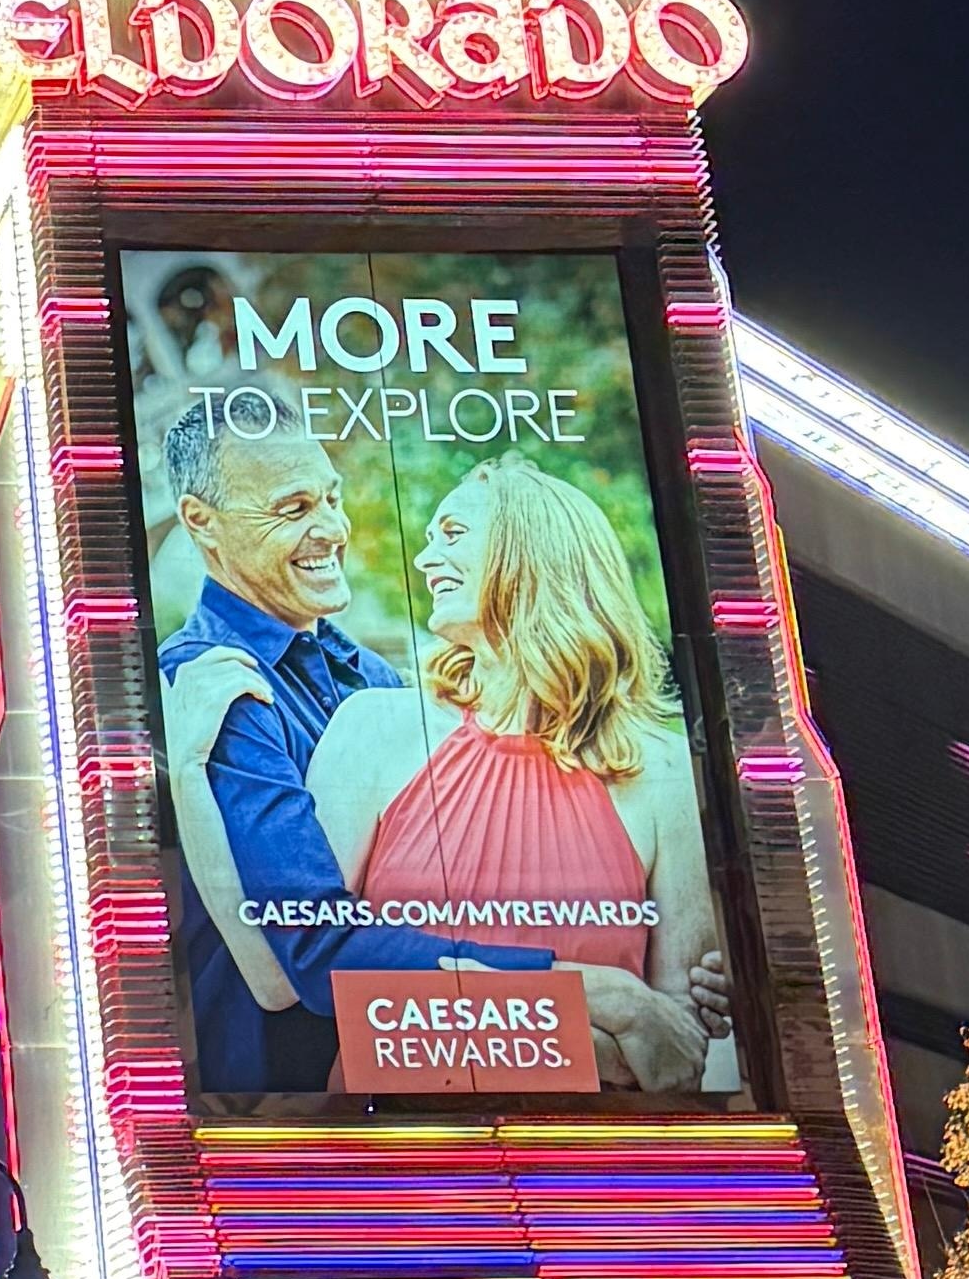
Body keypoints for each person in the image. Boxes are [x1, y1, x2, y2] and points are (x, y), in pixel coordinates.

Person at [305, 461, 727, 1093]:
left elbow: (672, 1058)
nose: (425, 561)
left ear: (529, 549)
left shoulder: (656, 770)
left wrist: (444, 1020)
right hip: (398, 1161)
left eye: (450, 533)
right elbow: (315, 970)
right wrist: (601, 1009)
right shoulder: (374, 730)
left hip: (594, 1172)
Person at [151, 386, 452, 1100]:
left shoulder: (372, 674)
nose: (331, 529)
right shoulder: (208, 683)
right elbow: (302, 955)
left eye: (331, 498)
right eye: (293, 509)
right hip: (291, 1125)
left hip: (424, 1089)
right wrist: (570, 982)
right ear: (203, 523)